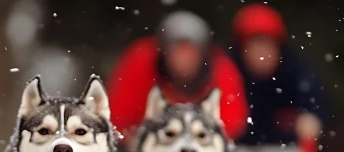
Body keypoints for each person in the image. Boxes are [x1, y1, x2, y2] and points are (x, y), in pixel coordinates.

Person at [107, 11, 249, 140]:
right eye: (177, 51)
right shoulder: (140, 62)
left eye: (190, 52)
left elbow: (232, 121)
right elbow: (120, 116)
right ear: (164, 51)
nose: (183, 59)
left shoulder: (220, 69)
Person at [231, 3, 328, 146]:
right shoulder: (228, 72)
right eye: (256, 45)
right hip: (238, 149)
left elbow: (317, 107)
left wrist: (311, 119)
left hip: (286, 148)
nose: (262, 54)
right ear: (241, 49)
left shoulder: (296, 71)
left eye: (268, 45)